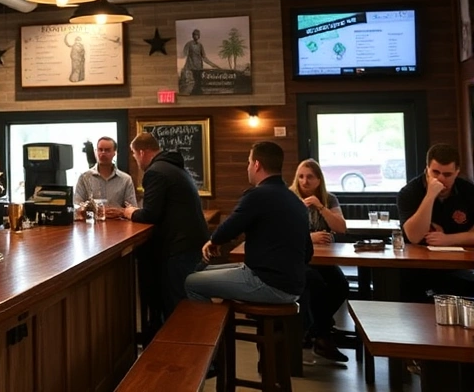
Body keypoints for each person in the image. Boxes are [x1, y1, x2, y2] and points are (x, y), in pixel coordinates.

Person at [185, 141, 312, 304]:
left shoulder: (258, 195)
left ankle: (208, 328)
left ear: (257, 165)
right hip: (292, 285)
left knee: (190, 282)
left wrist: (213, 241)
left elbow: (229, 227)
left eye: (249, 162)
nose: (248, 168)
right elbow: (308, 252)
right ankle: (222, 324)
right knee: (203, 271)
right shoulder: (294, 199)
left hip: (270, 284)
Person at [126, 133, 209, 331]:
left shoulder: (155, 172)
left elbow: (151, 214)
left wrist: (130, 212)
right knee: (186, 304)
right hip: (192, 244)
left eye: (134, 155)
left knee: (179, 308)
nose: (135, 160)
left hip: (178, 249)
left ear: (142, 152)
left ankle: (183, 353)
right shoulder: (176, 167)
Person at [289, 159, 349, 363]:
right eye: (301, 176)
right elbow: (281, 233)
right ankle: (322, 336)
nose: (304, 181)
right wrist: (310, 237)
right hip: (298, 259)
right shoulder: (289, 197)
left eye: (310, 177)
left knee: (341, 285)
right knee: (316, 285)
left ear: (319, 180)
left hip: (323, 259)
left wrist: (320, 206)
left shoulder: (329, 199)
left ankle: (314, 330)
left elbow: (341, 228)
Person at [396, 143, 474, 298]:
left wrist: (448, 239)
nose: (440, 179)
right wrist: (430, 196)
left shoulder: (468, 191)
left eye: (447, 174)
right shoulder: (409, 192)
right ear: (427, 170)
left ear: (457, 172)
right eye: (435, 172)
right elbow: (414, 236)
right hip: (418, 267)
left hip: (459, 265)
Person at [73, 136, 137, 219]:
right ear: (96, 151)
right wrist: (92, 209)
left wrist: (120, 212)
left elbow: (133, 208)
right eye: (100, 149)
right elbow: (76, 205)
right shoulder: (84, 177)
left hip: (119, 226)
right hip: (92, 226)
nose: (103, 153)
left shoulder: (125, 179)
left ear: (114, 153)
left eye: (107, 150)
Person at [180, 28, 221, 95]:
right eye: (195, 35)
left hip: (199, 67)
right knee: (194, 83)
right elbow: (183, 55)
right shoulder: (189, 44)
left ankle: (197, 93)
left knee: (199, 82)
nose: (196, 36)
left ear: (199, 36)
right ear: (193, 36)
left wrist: (214, 65)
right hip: (192, 67)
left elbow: (204, 57)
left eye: (197, 35)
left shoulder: (200, 45)